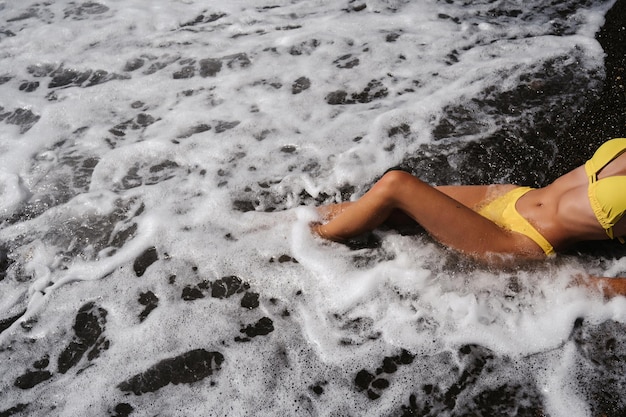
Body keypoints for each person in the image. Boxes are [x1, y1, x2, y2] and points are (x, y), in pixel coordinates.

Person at [312, 138, 626, 297]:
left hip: (520, 241)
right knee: (381, 205)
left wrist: (582, 283)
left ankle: (316, 240)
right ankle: (281, 223)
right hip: (512, 198)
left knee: (397, 186)